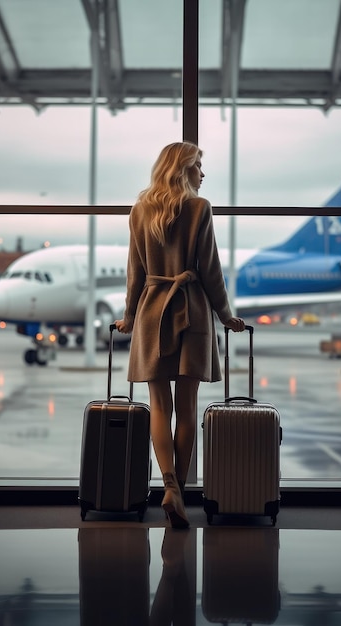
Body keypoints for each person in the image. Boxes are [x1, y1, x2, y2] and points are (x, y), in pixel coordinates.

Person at [115, 141, 245, 529]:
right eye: (198, 166)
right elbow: (211, 271)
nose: (203, 174)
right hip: (192, 312)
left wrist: (128, 317)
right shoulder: (199, 208)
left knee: (159, 404)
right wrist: (225, 315)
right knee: (187, 407)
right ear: (182, 168)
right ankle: (178, 494)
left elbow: (134, 274)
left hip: (152, 312)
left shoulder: (139, 211)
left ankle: (167, 483)